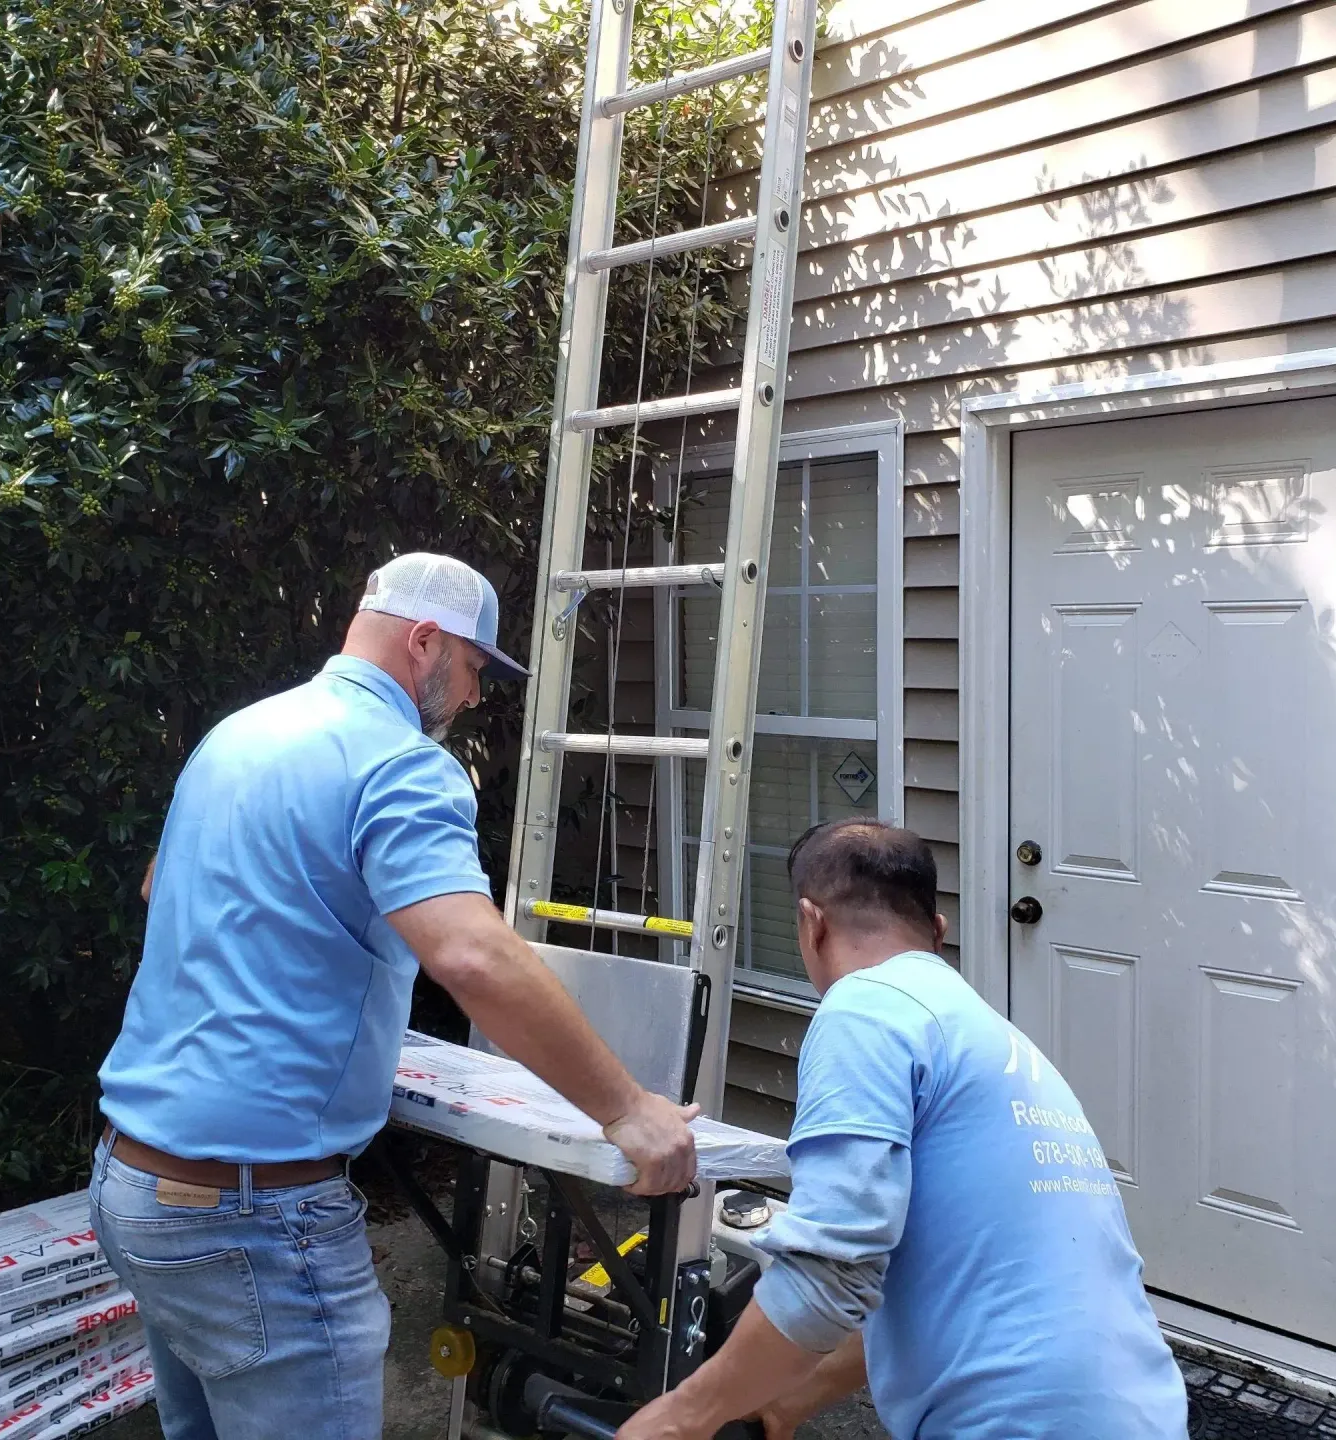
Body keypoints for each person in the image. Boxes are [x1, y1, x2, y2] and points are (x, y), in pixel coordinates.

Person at [89, 552, 701, 1440]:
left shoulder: (241, 734)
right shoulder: (399, 764)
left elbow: (163, 886)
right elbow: (473, 956)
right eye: (476, 669)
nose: (477, 697)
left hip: (133, 1183)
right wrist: (630, 1111)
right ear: (426, 644)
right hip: (250, 1219)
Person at [619, 821, 1188, 1440]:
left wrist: (683, 1418)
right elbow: (921, 1287)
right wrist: (787, 1401)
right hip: (1138, 1411)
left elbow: (829, 1274)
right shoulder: (992, 1039)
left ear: (812, 923)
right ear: (937, 934)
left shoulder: (866, 1009)